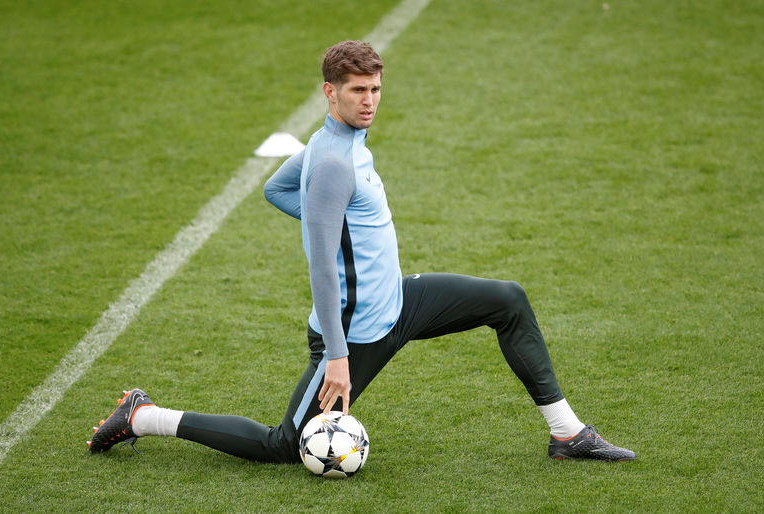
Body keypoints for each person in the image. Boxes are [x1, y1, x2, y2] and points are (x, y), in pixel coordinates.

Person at [88, 40, 636, 462]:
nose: (369, 100)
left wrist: (336, 225)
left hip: (397, 303)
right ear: (330, 91)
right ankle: (144, 415)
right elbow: (322, 267)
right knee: (283, 445)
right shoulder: (330, 162)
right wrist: (336, 355)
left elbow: (274, 189)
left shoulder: (337, 143)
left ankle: (568, 434)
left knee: (507, 300)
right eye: (357, 91)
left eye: (375, 89)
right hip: (356, 332)